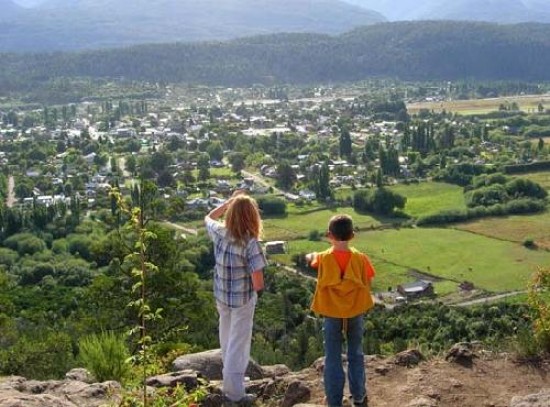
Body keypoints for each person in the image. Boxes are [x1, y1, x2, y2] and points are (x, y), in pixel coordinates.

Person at [306, 214, 375, 407]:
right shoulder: (361, 259)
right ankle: (359, 396)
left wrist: (310, 254)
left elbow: (313, 260)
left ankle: (334, 401)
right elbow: (369, 280)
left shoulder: (324, 258)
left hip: (331, 313)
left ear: (329, 235)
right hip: (355, 312)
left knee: (333, 357)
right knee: (356, 353)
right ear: (352, 235)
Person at [205, 190, 266, 405]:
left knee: (227, 338)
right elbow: (258, 282)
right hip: (242, 301)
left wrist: (227, 202)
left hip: (222, 296)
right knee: (238, 345)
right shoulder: (250, 243)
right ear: (252, 216)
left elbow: (208, 218)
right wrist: (258, 293)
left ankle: (232, 381)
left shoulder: (220, 232)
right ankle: (234, 394)